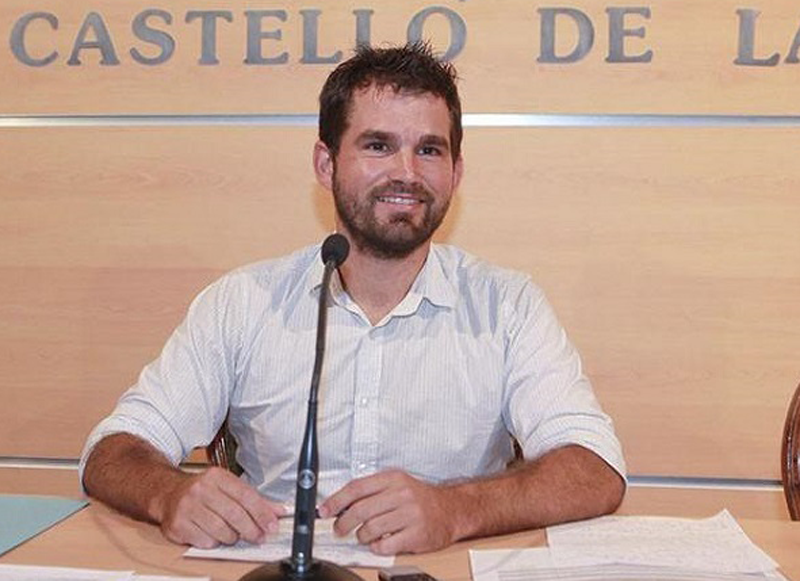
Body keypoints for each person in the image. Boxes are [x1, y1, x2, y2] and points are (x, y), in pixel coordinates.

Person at [80, 42, 626, 556]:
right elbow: (113, 450)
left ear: (456, 173)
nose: (406, 173)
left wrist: (454, 509)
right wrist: (170, 494)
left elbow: (594, 468)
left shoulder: (508, 305)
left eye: (429, 150)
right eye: (378, 145)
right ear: (326, 164)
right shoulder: (242, 302)